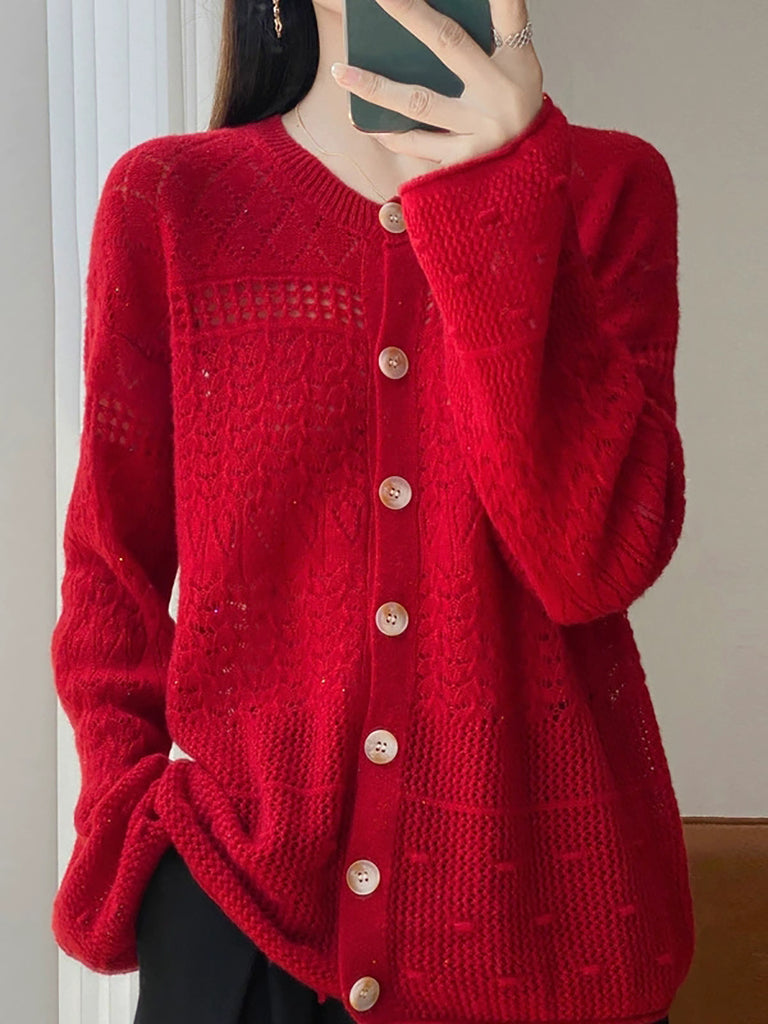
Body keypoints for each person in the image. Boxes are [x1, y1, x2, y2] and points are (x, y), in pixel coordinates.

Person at [49, 0, 691, 1021]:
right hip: (237, 919)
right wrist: (133, 833)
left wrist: (502, 193)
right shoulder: (172, 200)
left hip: (544, 936)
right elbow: (109, 568)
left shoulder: (607, 189)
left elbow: (593, 562)